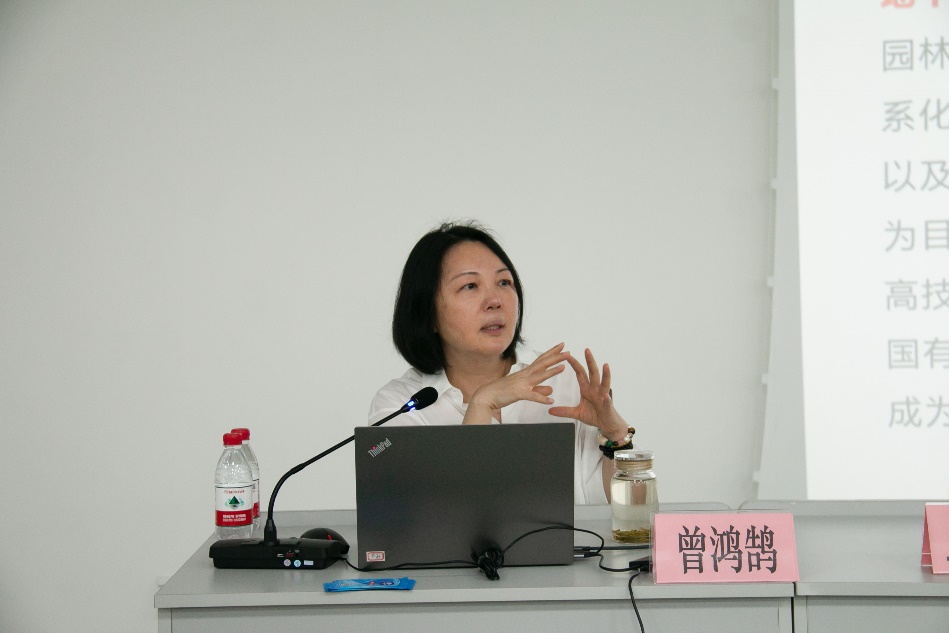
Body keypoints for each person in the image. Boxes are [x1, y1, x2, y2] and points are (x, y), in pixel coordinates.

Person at [367, 221, 634, 504]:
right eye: (470, 286)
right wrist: (482, 404)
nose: (495, 300)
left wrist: (616, 438)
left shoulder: (561, 381)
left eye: (504, 282)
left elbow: (624, 511)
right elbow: (433, 520)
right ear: (428, 312)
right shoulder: (399, 407)